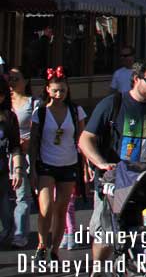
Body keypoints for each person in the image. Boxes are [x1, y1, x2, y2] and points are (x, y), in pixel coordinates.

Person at [78, 61, 146, 262]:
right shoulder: (113, 103)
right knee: (105, 233)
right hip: (115, 182)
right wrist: (101, 163)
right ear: (136, 79)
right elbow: (85, 138)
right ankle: (97, 271)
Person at [28, 67, 86, 261]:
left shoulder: (76, 111)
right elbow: (34, 141)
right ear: (47, 90)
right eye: (55, 90)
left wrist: (85, 166)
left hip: (68, 164)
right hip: (46, 163)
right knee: (45, 208)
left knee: (62, 208)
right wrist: (32, 169)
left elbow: (81, 140)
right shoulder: (41, 112)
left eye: (62, 90)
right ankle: (41, 245)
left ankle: (54, 249)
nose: (59, 94)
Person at [8, 68, 36, 249]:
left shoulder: (33, 103)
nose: (12, 82)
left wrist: (29, 140)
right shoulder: (4, 102)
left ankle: (20, 235)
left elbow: (39, 130)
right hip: (5, 153)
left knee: (22, 196)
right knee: (5, 197)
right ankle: (7, 230)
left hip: (24, 153)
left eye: (16, 78)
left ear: (25, 82)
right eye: (9, 78)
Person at [0, 75, 25, 251]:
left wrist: (17, 170)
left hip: (1, 172)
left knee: (5, 214)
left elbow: (15, 147)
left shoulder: (9, 117)